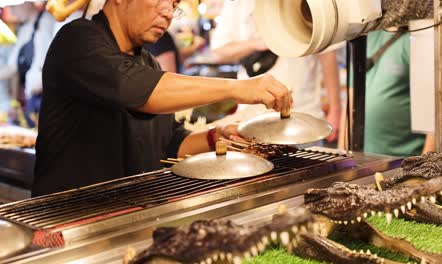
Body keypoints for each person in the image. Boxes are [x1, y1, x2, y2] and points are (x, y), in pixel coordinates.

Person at [32, 0, 292, 196]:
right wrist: (237, 88)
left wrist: (216, 137)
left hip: (120, 218)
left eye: (175, 4)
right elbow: (132, 89)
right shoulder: (77, 39)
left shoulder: (148, 63)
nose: (168, 12)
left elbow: (168, 143)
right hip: (62, 224)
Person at [210, 0, 341, 143]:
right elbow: (219, 50)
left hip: (303, 116)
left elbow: (328, 54)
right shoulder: (238, 4)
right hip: (251, 119)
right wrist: (256, 44)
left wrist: (335, 109)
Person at [364, 29, 434, 156]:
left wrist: (425, 165)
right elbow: (350, 99)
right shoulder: (365, 35)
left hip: (406, 160)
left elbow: (435, 106)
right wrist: (344, 150)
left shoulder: (418, 38)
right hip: (363, 158)